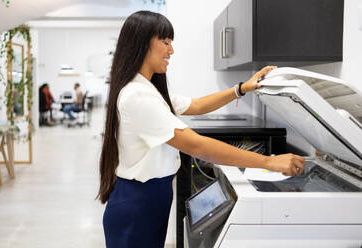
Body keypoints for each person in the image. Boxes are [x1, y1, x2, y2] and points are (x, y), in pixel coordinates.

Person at [98, 11, 305, 248]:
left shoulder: (147, 88)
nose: (171, 50)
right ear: (142, 43)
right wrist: (269, 162)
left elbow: (196, 105)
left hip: (150, 197)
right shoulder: (137, 95)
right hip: (137, 203)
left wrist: (241, 89)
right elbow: (196, 145)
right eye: (165, 42)